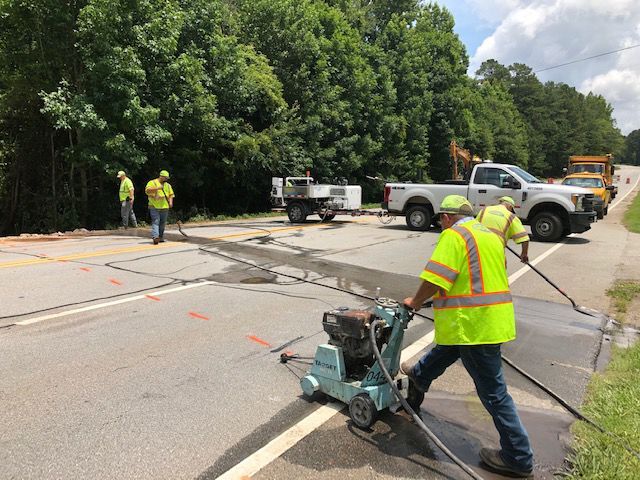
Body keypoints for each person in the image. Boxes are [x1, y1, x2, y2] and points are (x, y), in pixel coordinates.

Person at [401, 195, 534, 478]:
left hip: (474, 325)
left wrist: (414, 301)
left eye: (440, 220)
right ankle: (419, 376)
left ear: (448, 217)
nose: (440, 224)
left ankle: (518, 457)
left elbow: (436, 278)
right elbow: (471, 277)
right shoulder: (488, 235)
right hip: (492, 320)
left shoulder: (454, 235)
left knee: (494, 393)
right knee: (448, 349)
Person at [477, 196, 530, 263]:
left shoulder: (484, 210)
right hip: (496, 248)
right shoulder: (510, 216)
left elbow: (473, 227)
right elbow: (525, 239)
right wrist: (524, 254)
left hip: (477, 246)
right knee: (499, 268)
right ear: (510, 207)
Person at [145, 170, 174, 245]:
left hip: (165, 206)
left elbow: (171, 194)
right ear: (161, 176)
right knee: (156, 221)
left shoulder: (167, 185)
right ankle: (155, 237)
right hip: (154, 206)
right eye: (165, 178)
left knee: (162, 223)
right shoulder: (152, 182)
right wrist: (157, 188)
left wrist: (170, 202)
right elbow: (147, 190)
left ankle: (160, 237)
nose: (166, 179)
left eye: (167, 178)